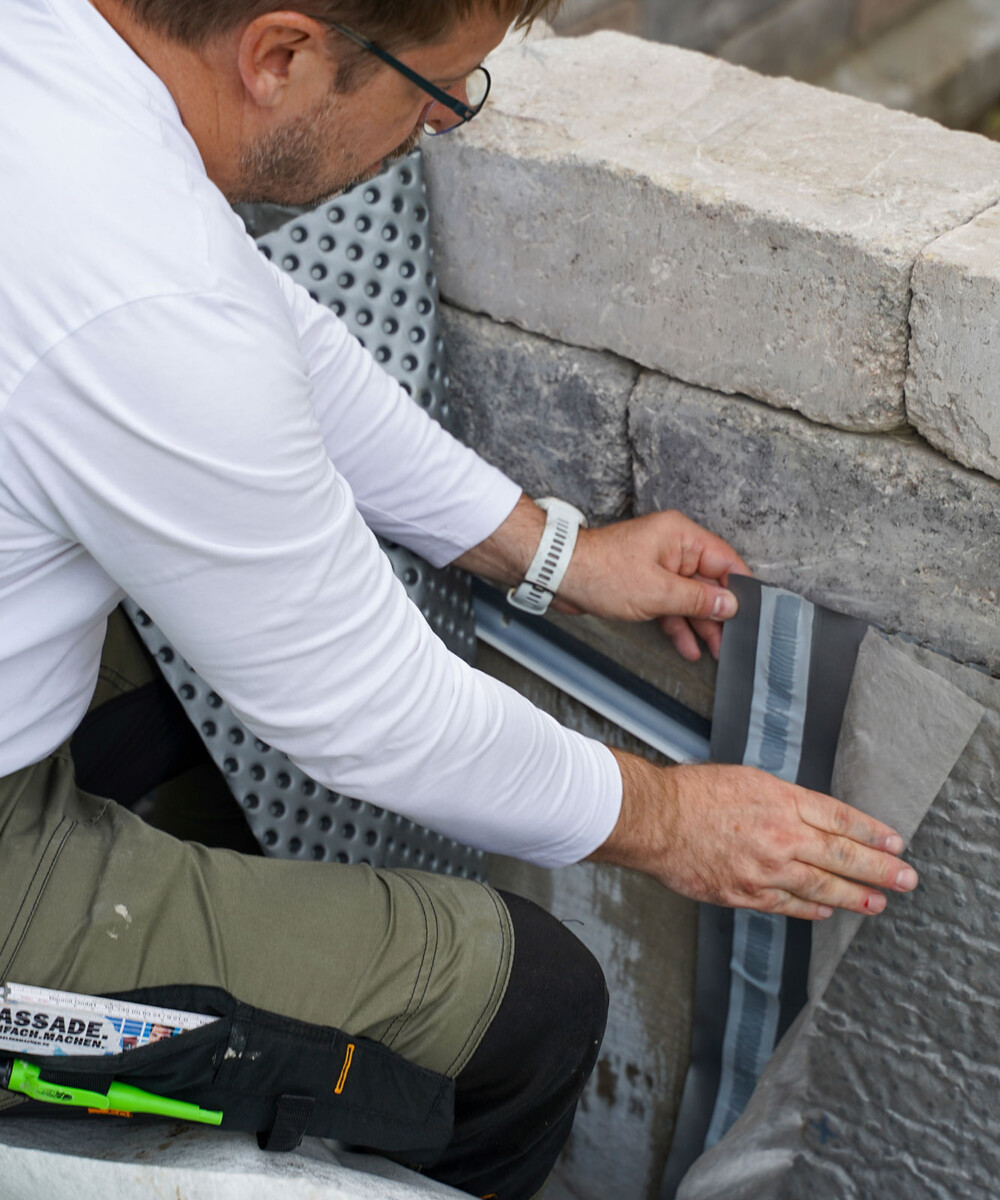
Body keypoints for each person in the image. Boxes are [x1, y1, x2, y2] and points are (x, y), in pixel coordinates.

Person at [0, 0, 919, 1196]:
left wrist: (552, 555)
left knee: (177, 719)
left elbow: (266, 332)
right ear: (279, 55)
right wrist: (674, 820)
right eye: (435, 85)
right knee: (526, 1005)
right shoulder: (142, 292)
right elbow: (369, 715)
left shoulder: (57, 62)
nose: (442, 122)